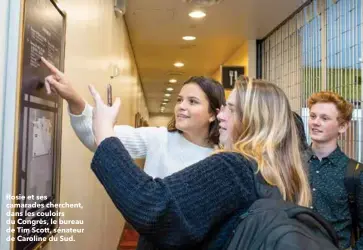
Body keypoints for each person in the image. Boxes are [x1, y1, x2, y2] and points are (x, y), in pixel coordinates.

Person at [89, 78, 312, 249]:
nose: (222, 116)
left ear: (254, 120)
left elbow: (154, 207)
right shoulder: (275, 176)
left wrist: (106, 135)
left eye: (231, 109)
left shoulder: (235, 168)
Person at [40, 57, 226, 178]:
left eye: (192, 102)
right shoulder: (159, 138)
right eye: (179, 100)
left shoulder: (223, 157)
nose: (181, 106)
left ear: (213, 114)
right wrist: (74, 99)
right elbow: (98, 139)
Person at [306, 91, 362, 250]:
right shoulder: (293, 164)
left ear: (343, 126)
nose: (315, 122)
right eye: (312, 116)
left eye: (324, 118)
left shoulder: (355, 173)